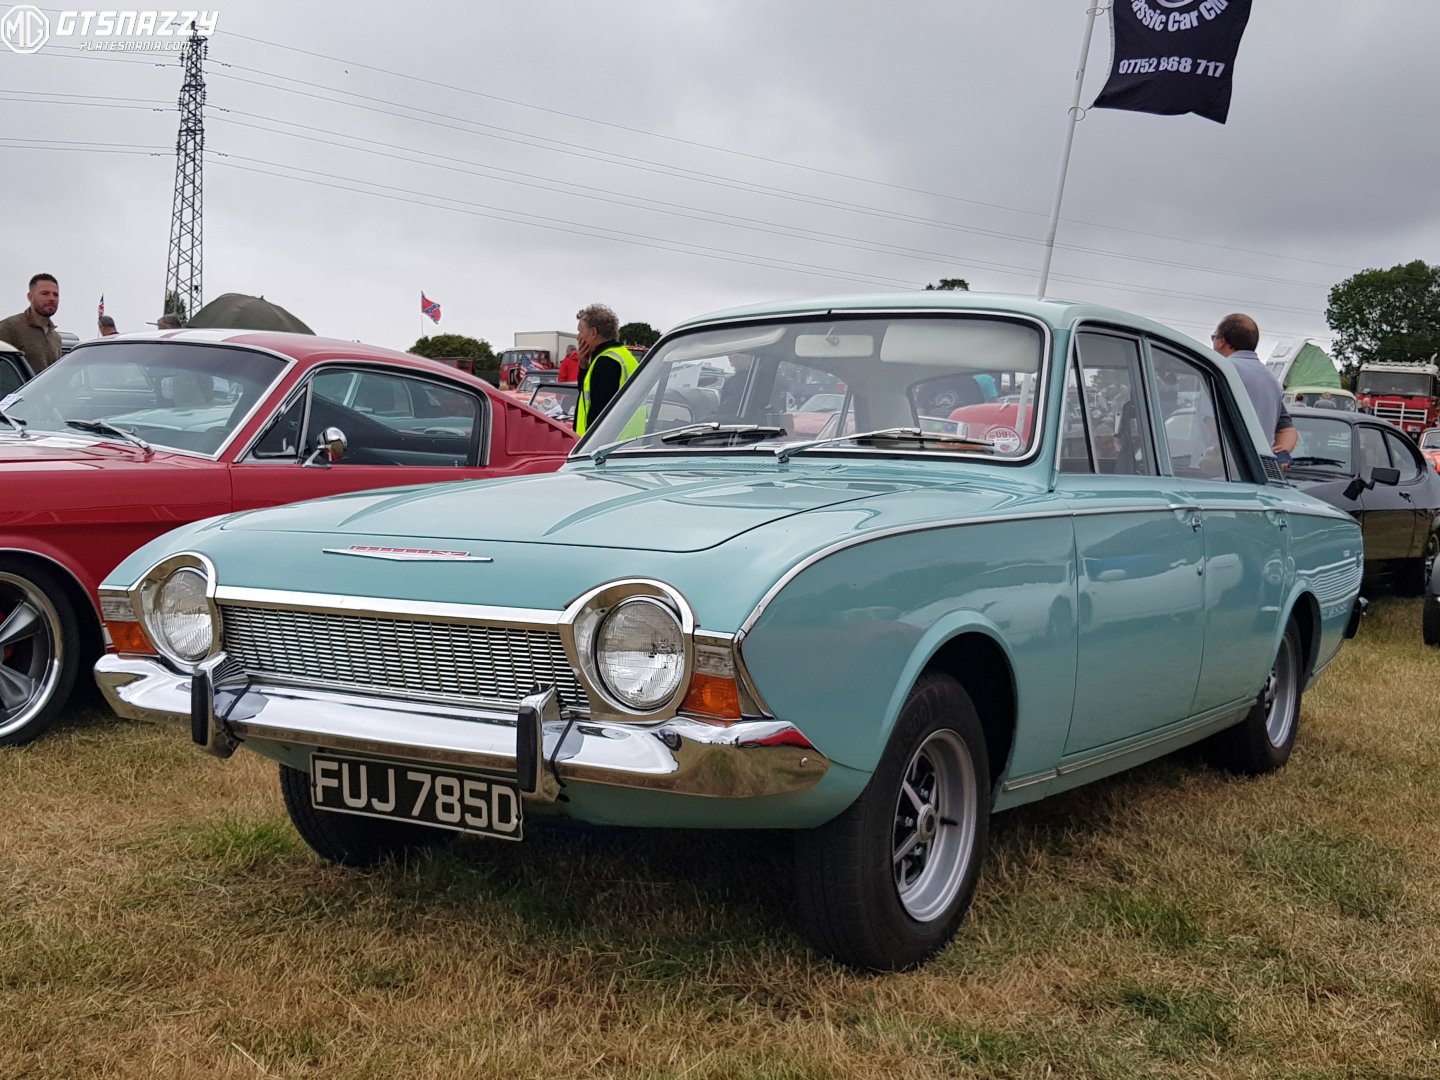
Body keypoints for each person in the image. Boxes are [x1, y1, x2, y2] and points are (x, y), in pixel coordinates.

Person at [1210, 314, 1298, 462]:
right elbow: (1286, 429)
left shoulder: (1218, 371)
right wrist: (1279, 455)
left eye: (1214, 337)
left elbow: (1213, 427)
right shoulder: (1271, 380)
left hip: (1218, 471)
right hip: (1256, 472)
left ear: (1221, 342)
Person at [573, 303, 639, 436]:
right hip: (625, 445)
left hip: (604, 449)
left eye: (580, 331)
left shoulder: (606, 362)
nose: (578, 337)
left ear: (593, 333)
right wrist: (583, 367)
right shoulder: (624, 356)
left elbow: (598, 417)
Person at [0, 273, 62, 373]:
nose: (52, 299)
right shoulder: (9, 328)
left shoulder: (55, 338)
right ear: (30, 297)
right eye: (45, 293)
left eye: (55, 295)